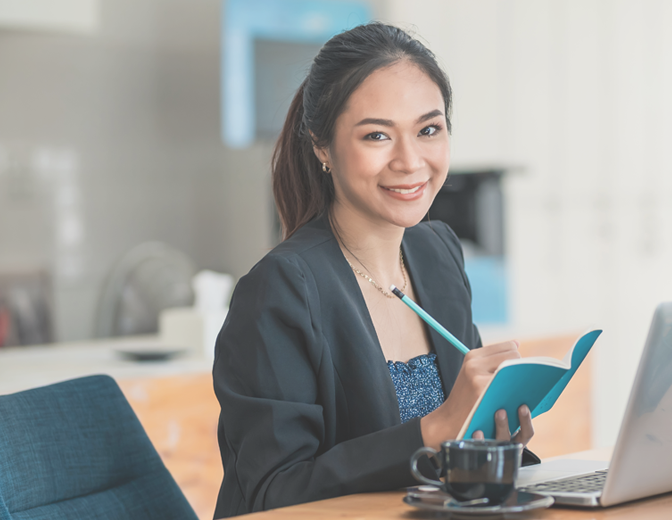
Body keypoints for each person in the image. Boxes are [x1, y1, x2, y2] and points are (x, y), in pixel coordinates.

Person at [212, 23, 538, 518]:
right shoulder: (280, 290)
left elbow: (447, 458)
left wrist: (489, 436)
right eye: (377, 135)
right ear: (322, 147)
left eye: (428, 130)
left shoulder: (438, 253)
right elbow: (271, 495)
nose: (410, 161)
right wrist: (436, 429)